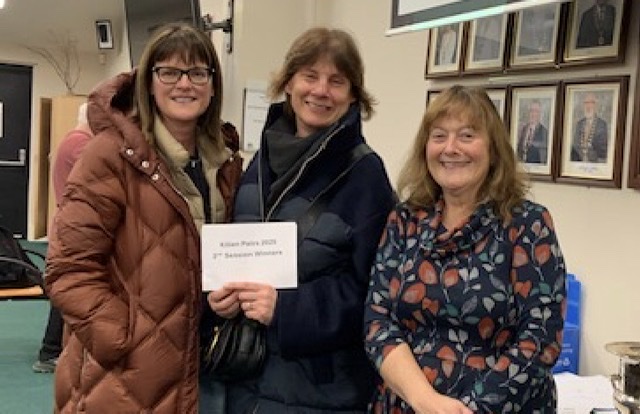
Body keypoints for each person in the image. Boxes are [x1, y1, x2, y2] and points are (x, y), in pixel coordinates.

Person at [44, 22, 243, 414]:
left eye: (197, 72)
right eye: (169, 72)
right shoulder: (109, 155)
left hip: (204, 362)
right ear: (149, 82)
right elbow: (68, 268)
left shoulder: (226, 164)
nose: (184, 84)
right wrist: (123, 338)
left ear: (213, 85)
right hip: (126, 374)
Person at [203, 27, 396, 413]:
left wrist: (288, 309)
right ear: (288, 82)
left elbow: (377, 295)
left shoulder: (366, 176)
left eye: (336, 81)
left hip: (320, 393)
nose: (321, 91)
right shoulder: (259, 161)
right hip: (245, 382)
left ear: (353, 95)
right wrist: (220, 299)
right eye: (310, 76)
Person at [364, 85, 567, 413]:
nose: (450, 148)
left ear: (493, 148)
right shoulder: (404, 220)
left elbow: (540, 339)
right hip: (406, 404)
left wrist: (466, 409)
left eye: (467, 136)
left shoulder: (527, 224)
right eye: (439, 136)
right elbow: (378, 321)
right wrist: (425, 401)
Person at [32, 102, 92, 374]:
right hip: (75, 230)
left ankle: (54, 349)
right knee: (66, 290)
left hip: (70, 227)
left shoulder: (72, 140)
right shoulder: (81, 145)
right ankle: (51, 351)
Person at [570, 92, 609, 163]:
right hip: (578, 162)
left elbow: (602, 150)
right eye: (586, 103)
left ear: (596, 106)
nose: (588, 106)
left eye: (591, 102)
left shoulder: (602, 125)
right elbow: (575, 146)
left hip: (595, 163)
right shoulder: (579, 124)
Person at [516, 99, 548, 164]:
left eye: (536, 111)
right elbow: (519, 149)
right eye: (531, 110)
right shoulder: (524, 129)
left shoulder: (544, 132)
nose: (533, 114)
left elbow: (544, 155)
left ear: (540, 114)